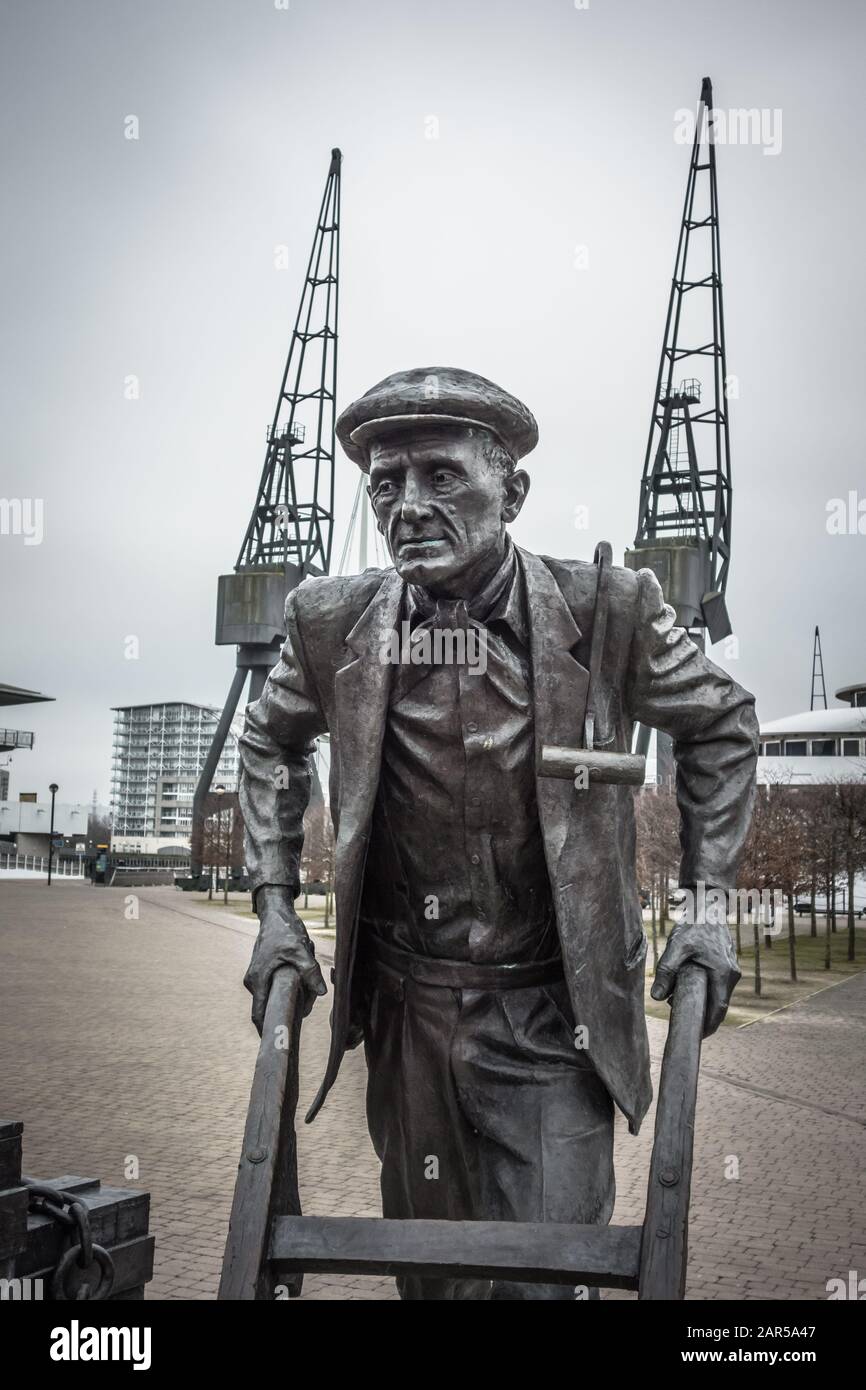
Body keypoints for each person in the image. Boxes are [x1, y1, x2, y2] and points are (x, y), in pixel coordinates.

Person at [238, 366, 758, 1300]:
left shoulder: (609, 611)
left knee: (544, 1280)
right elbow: (268, 744)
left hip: (553, 1022)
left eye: (442, 477)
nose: (409, 506)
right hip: (409, 1019)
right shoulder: (330, 623)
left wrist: (708, 908)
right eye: (386, 484)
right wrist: (276, 908)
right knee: (432, 1280)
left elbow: (721, 725)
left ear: (511, 492)